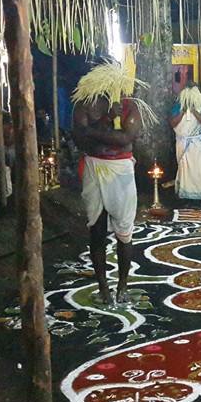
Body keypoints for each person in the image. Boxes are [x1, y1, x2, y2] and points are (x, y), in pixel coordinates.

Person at [73, 65, 145, 305]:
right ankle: (103, 287)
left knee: (124, 231)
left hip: (120, 170)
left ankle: (122, 286)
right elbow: (78, 136)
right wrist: (106, 125)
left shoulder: (129, 106)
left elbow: (126, 138)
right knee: (96, 228)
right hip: (94, 167)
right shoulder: (84, 104)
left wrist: (95, 130)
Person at [171, 85, 201, 203]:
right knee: (185, 170)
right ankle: (186, 198)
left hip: (197, 144)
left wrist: (194, 111)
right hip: (183, 142)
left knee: (198, 170)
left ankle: (200, 198)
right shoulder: (179, 106)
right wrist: (183, 111)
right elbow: (172, 123)